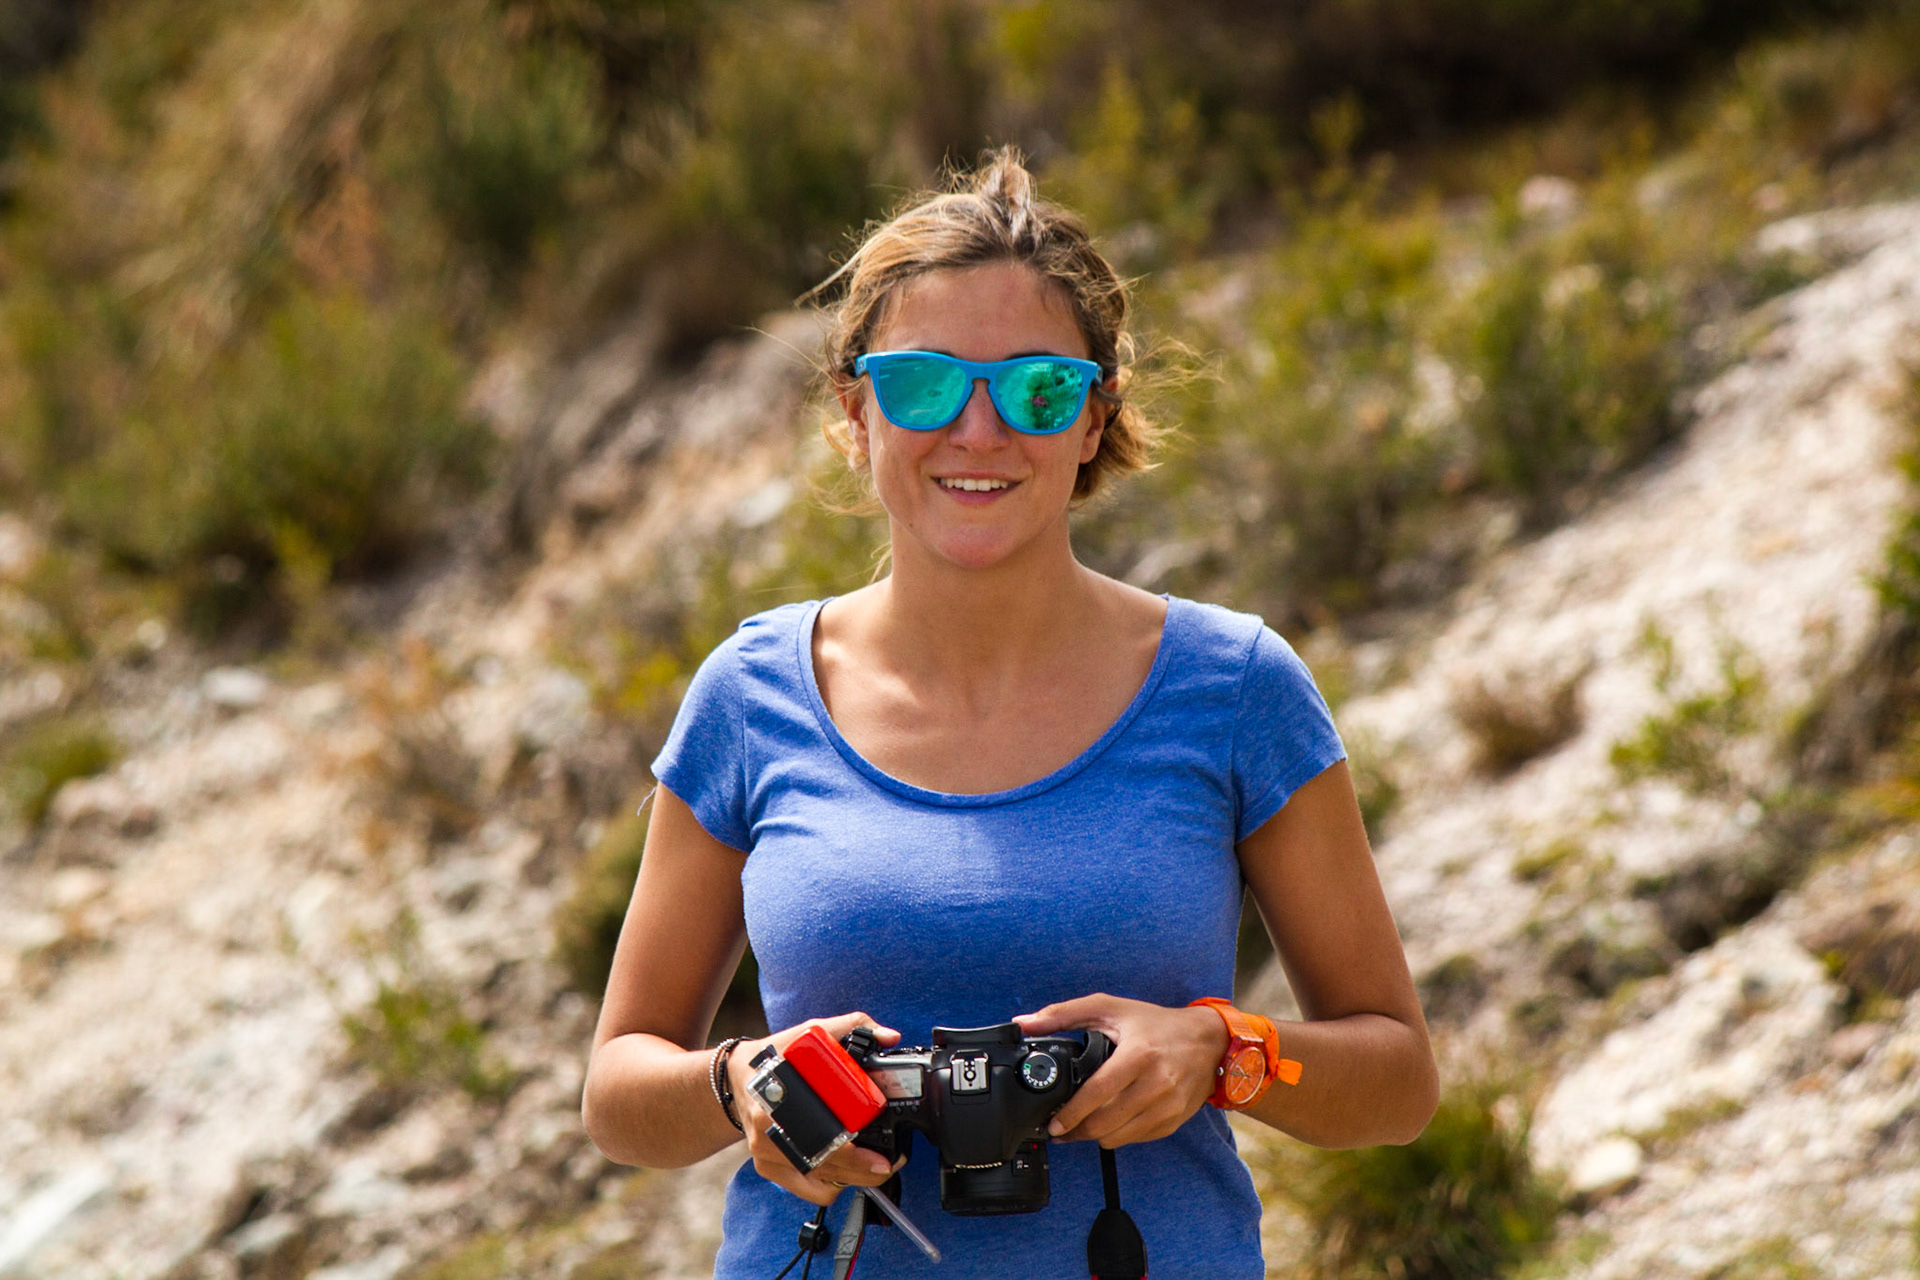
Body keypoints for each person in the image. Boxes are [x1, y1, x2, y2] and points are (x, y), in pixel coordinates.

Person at [581, 149, 1438, 1279]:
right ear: (856, 411)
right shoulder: (751, 695)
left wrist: (1223, 1049)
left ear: (1092, 421)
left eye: (1037, 388)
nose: (979, 430)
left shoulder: (1236, 688)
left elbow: (1398, 1081)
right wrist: (742, 1084)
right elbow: (618, 1093)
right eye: (923, 385)